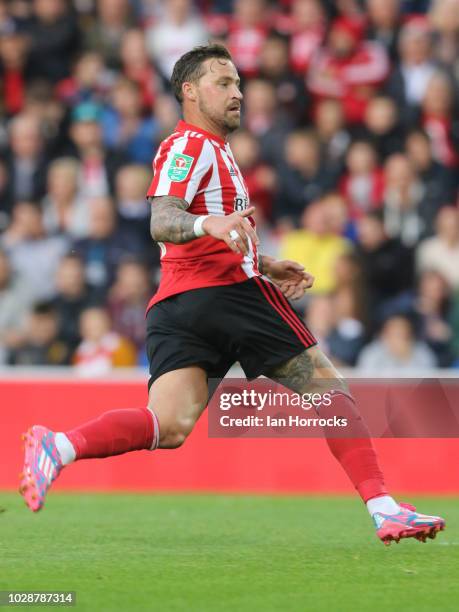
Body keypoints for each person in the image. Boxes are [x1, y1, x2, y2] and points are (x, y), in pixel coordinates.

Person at [20, 44, 445, 546]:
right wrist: (212, 225)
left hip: (180, 304)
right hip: (227, 296)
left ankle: (60, 446)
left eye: (238, 83)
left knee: (169, 425)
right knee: (331, 394)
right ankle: (383, 507)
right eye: (223, 83)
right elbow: (164, 219)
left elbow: (209, 233)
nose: (237, 92)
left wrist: (262, 261)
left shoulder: (213, 151)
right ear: (190, 91)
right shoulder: (190, 147)